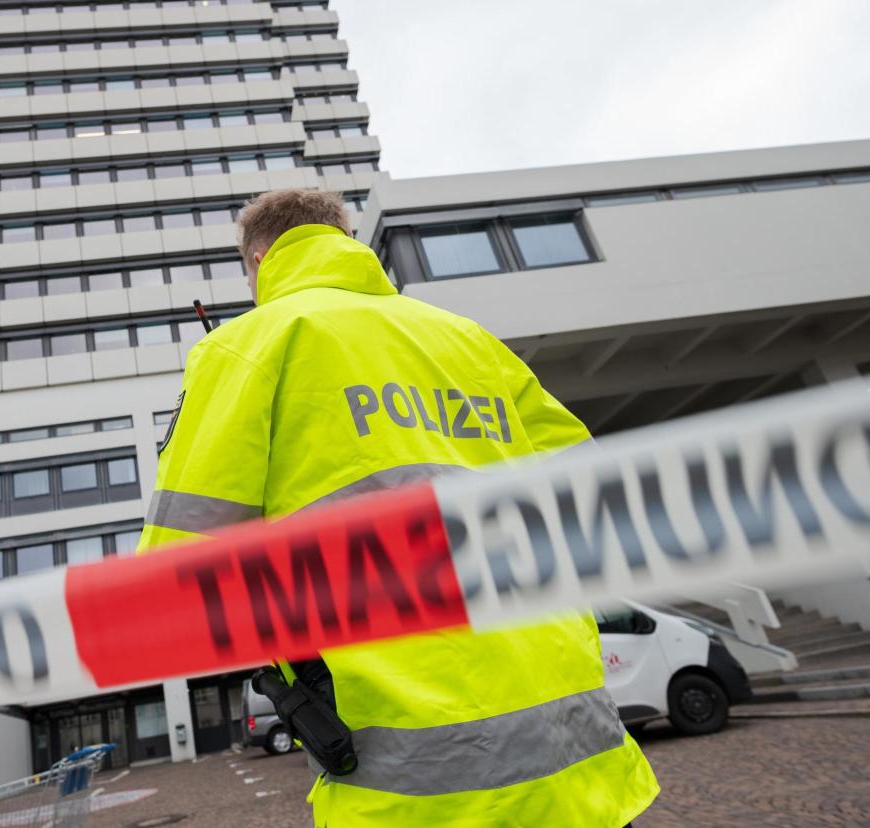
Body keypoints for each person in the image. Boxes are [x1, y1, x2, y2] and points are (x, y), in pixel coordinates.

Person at [137, 189, 659, 827]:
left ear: (260, 258)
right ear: (345, 240)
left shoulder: (247, 346)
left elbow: (175, 581)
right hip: (581, 766)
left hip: (417, 790)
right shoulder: (468, 341)